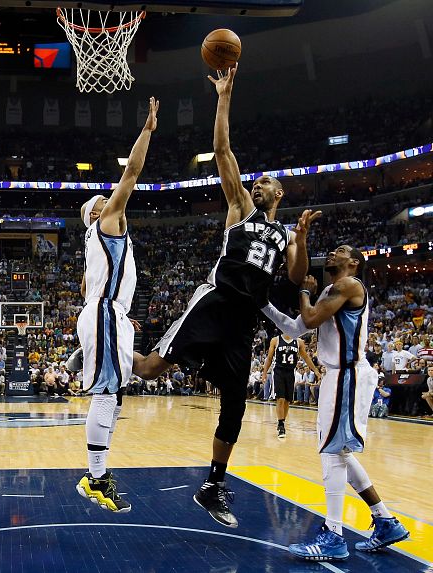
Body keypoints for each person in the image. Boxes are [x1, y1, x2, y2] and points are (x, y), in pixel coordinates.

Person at [125, 66, 320, 528]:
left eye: (267, 182)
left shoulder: (287, 234)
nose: (259, 184)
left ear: (281, 192)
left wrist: (303, 239)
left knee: (234, 403)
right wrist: (224, 97)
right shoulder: (241, 207)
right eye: (258, 181)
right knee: (152, 369)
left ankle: (213, 484)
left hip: (244, 322)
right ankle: (101, 344)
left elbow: (294, 276)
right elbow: (222, 150)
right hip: (214, 302)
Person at [262, 244, 410, 561]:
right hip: (338, 376)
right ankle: (385, 521)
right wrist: (262, 304)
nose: (331, 254)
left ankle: (334, 535)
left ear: (353, 263)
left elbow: (311, 317)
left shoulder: (349, 285)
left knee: (331, 451)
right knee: (339, 450)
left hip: (347, 375)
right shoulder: (332, 289)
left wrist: (303, 290)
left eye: (340, 251)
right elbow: (294, 327)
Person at [71, 97, 158, 514]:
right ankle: (95, 477)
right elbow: (133, 172)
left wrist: (117, 315)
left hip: (108, 314)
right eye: (103, 200)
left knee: (114, 395)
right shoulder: (106, 223)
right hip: (105, 313)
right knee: (106, 395)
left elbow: (88, 283)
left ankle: (99, 474)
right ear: (94, 215)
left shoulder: (99, 238)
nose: (111, 198)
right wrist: (147, 130)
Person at [261, 334, 321, 438]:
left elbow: (306, 357)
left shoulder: (298, 342)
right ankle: (280, 424)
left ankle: (282, 421)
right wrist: (265, 372)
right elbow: (270, 358)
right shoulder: (275, 340)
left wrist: (315, 370)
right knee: (280, 398)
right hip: (278, 371)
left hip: (290, 372)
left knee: (288, 400)